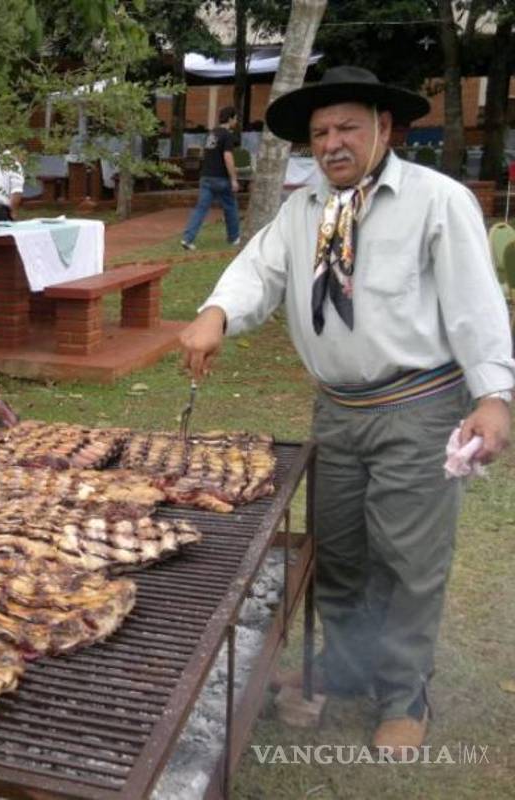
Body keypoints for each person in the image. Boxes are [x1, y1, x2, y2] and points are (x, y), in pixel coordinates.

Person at [179, 66, 513, 750]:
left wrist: (494, 398)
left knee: (407, 558)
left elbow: (476, 303)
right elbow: (259, 271)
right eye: (320, 132)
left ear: (385, 129)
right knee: (338, 553)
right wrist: (216, 311)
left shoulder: (437, 201)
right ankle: (346, 669)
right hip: (336, 412)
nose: (332, 143)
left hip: (418, 408)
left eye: (347, 128)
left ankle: (404, 695)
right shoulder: (303, 211)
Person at [180, 106, 242, 250]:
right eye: (236, 118)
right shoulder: (227, 135)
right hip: (221, 178)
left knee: (200, 209)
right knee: (231, 207)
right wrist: (234, 179)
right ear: (231, 118)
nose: (236, 121)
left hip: (206, 177)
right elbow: (228, 156)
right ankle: (233, 238)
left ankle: (187, 239)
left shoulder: (211, 134)